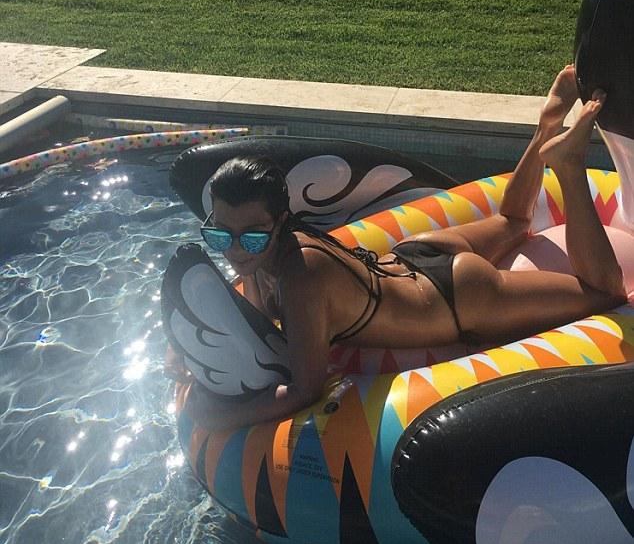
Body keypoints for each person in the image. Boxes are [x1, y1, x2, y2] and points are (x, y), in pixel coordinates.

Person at [182, 65, 626, 431]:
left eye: (251, 237)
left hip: (457, 297)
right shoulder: (270, 248)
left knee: (603, 292)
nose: (236, 250)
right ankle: (547, 124)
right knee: (514, 222)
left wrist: (218, 415)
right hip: (415, 254)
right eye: (220, 235)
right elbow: (255, 314)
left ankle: (568, 166)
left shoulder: (300, 277)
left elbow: (305, 389)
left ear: (280, 222)